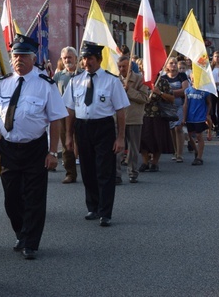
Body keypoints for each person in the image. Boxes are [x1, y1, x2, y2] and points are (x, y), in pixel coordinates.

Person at [0, 35, 67, 260]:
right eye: (15, 56)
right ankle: (20, 232)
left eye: (23, 56)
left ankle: (31, 242)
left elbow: (55, 119)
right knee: (11, 198)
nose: (18, 60)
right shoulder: (3, 84)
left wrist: (53, 152)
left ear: (33, 58)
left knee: (34, 196)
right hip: (8, 148)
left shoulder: (45, 85)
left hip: (35, 148)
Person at [63, 42, 129, 227]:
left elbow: (121, 111)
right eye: (84, 58)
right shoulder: (75, 81)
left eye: (90, 58)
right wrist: (69, 136)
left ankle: (105, 212)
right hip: (82, 128)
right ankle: (93, 206)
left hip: (103, 128)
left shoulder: (111, 81)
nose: (86, 62)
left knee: (104, 170)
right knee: (87, 168)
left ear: (98, 59)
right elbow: (70, 109)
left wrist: (121, 137)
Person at [116, 56, 149, 184]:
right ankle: (116, 174)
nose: (121, 69)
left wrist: (129, 91)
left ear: (130, 67)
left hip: (134, 118)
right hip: (118, 119)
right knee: (117, 148)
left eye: (124, 66)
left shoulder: (139, 79)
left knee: (133, 148)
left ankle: (133, 172)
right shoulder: (114, 80)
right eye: (119, 67)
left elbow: (145, 98)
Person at [52, 46, 82, 184]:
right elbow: (53, 94)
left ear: (76, 58)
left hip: (81, 112)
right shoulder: (58, 76)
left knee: (82, 141)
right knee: (66, 143)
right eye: (64, 58)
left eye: (70, 57)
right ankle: (70, 173)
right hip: (64, 114)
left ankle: (90, 171)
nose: (67, 60)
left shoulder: (82, 74)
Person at [139, 66, 175, 173]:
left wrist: (160, 93)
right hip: (144, 114)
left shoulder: (163, 82)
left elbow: (172, 98)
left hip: (159, 115)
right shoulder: (141, 82)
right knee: (143, 139)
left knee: (158, 139)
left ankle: (154, 163)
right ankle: (145, 162)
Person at [162, 57, 189, 162]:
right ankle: (175, 150)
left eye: (175, 63)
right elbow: (161, 91)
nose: (173, 65)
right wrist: (170, 94)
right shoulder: (163, 77)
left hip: (179, 105)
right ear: (167, 65)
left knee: (178, 128)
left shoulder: (182, 76)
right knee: (171, 129)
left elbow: (185, 90)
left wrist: (170, 93)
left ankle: (180, 154)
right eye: (171, 63)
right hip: (168, 107)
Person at [182, 84, 211, 166]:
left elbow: (209, 103)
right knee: (189, 136)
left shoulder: (205, 91)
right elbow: (185, 104)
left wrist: (207, 114)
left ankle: (199, 157)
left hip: (200, 117)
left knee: (199, 135)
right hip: (190, 116)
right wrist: (184, 118)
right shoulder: (188, 90)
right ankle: (196, 150)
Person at [210, 50, 219, 138]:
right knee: (211, 110)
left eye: (218, 57)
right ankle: (214, 124)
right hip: (212, 90)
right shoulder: (211, 67)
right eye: (215, 56)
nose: (217, 58)